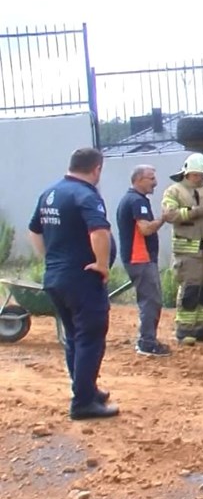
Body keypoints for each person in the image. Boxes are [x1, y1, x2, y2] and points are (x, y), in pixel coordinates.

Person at [27, 147, 120, 420]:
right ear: (97, 169)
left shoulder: (50, 193)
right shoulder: (86, 194)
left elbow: (34, 230)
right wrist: (102, 266)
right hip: (82, 279)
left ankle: (86, 390)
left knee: (75, 338)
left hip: (56, 277)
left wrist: (52, 259)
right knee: (91, 337)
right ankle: (83, 403)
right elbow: (99, 231)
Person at [161, 153, 203, 346]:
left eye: (202, 175)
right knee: (190, 289)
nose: (199, 178)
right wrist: (196, 212)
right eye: (195, 175)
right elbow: (170, 215)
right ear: (187, 173)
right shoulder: (174, 191)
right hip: (187, 248)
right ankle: (184, 330)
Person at [116, 165, 170, 357]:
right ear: (138, 179)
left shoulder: (132, 200)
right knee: (151, 300)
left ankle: (147, 340)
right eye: (151, 178)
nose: (154, 182)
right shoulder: (137, 201)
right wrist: (164, 218)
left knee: (150, 299)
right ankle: (147, 342)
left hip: (139, 258)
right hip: (140, 258)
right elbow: (145, 229)